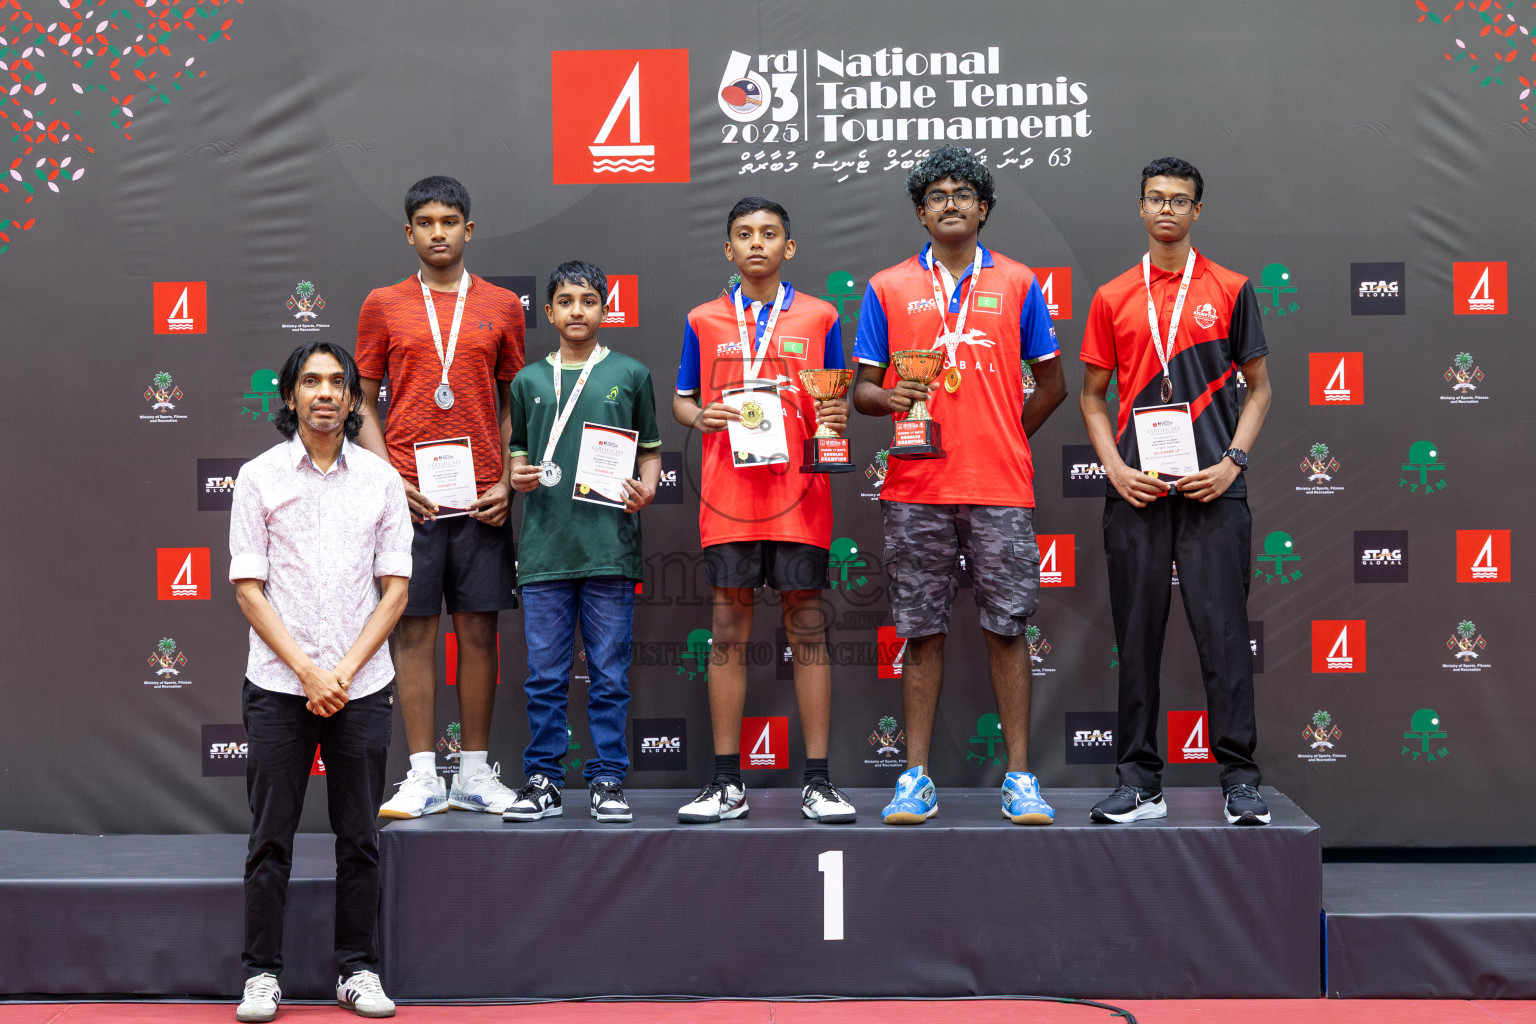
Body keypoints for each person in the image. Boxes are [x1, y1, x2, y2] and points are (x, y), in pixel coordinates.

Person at [851, 144, 1067, 827]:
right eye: (937, 194)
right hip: (916, 485)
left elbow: (1053, 382)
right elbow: (859, 388)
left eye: (963, 193)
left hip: (999, 483)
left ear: (984, 209)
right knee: (921, 631)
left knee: (1008, 629)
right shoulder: (887, 286)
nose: (951, 202)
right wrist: (889, 400)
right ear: (921, 212)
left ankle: (1021, 778)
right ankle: (914, 777)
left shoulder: (1019, 282)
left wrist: (1001, 432)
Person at [1078, 156, 1273, 826]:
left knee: (1223, 639)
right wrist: (1112, 467)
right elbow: (1092, 397)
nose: (1167, 209)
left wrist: (1233, 463)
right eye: (1155, 198)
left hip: (1213, 491)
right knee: (1137, 640)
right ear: (1140, 208)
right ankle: (1139, 782)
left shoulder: (1231, 287)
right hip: (1137, 491)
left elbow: (1261, 388)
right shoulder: (1111, 296)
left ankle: (1240, 781)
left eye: (1180, 200)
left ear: (1197, 211)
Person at [229, 341, 410, 1021]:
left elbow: (395, 590)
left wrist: (343, 671)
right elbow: (248, 589)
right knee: (269, 835)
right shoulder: (258, 477)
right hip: (279, 685)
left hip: (360, 687)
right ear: (290, 396)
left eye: (339, 382)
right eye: (312, 382)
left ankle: (357, 970)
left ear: (355, 399)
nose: (326, 393)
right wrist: (307, 670)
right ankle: (261, 975)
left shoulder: (382, 481)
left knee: (360, 836)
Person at [672, 197, 858, 824]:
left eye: (770, 234)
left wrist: (835, 414)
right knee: (728, 633)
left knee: (808, 630)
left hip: (800, 494)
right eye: (744, 235)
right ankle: (726, 782)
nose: (757, 244)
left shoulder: (821, 315)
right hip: (728, 498)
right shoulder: (702, 320)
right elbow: (682, 400)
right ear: (728, 250)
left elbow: (837, 398)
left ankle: (819, 783)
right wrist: (702, 416)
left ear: (790, 248)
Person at [355, 175, 526, 818]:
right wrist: (387, 478)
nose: (437, 233)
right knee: (414, 632)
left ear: (468, 230)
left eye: (449, 221)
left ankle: (476, 773)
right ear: (409, 232)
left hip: (482, 495)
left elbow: (516, 403)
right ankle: (423, 773)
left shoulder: (505, 306)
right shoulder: (383, 304)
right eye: (425, 222)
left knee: (479, 633)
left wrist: (508, 479)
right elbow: (361, 400)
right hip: (409, 497)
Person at [500, 261, 661, 824]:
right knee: (544, 675)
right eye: (565, 301)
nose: (576, 311)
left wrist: (647, 486)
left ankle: (609, 779)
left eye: (588, 300)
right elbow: (517, 448)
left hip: (609, 550)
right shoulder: (528, 381)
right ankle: (543, 777)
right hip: (544, 551)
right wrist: (517, 472)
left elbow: (650, 451)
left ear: (605, 309)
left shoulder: (632, 374)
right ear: (548, 312)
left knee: (610, 675)